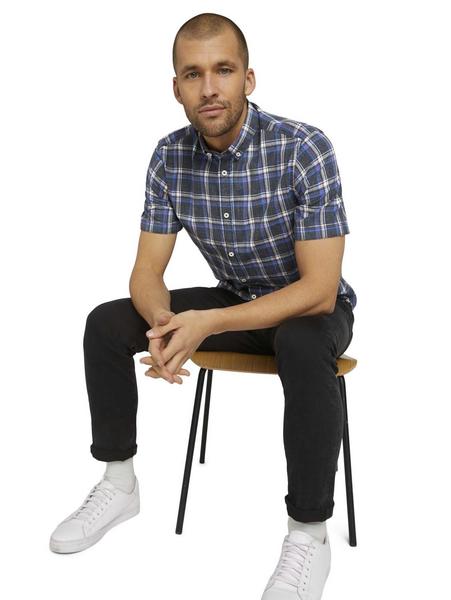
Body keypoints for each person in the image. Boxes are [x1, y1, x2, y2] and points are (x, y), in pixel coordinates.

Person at [49, 11, 356, 600]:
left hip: (309, 313)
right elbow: (147, 272)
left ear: (249, 79)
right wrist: (164, 325)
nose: (209, 88)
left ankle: (308, 534)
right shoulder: (169, 157)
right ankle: (119, 482)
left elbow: (319, 288)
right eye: (193, 74)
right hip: (234, 299)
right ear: (176, 88)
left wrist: (208, 323)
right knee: (106, 323)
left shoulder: (304, 148)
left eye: (224, 70)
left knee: (300, 339)